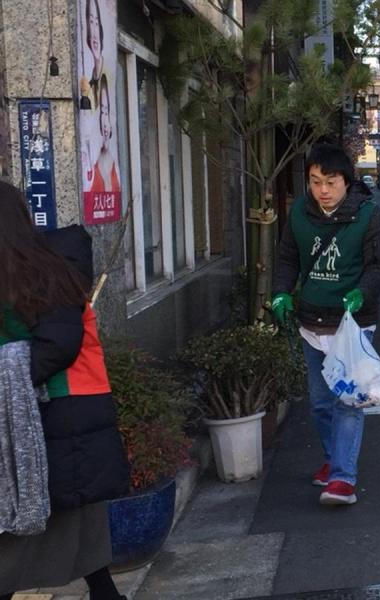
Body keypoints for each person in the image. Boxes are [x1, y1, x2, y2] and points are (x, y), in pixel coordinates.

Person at [0, 181, 130, 599]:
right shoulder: (29, 269)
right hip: (55, 416)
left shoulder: (45, 272)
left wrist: (7, 382)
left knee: (34, 523)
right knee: (74, 525)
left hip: (61, 411)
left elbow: (59, 344)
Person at [271, 143, 380, 506]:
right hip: (311, 322)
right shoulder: (299, 214)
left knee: (347, 402)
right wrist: (281, 292)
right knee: (321, 402)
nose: (323, 189)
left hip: (354, 326)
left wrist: (361, 293)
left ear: (346, 181)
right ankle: (333, 458)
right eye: (315, 181)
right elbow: (287, 257)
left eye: (331, 181)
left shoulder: (369, 215)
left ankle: (343, 479)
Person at [89, 74, 120, 194]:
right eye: (102, 112)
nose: (106, 123)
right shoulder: (90, 165)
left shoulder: (114, 162)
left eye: (107, 112)